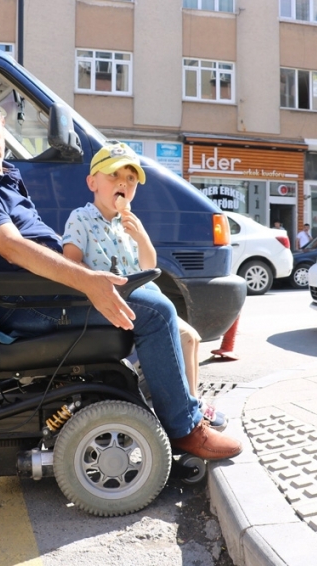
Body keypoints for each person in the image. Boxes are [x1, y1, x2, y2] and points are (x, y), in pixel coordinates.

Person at [0, 86, 241, 460]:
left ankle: (169, 403)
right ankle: (184, 428)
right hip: (21, 302)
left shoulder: (2, 176)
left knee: (149, 297)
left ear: (2, 125)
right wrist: (87, 281)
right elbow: (11, 247)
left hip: (41, 292)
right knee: (156, 312)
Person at [60, 141, 225, 430]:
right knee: (182, 335)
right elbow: (71, 261)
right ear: (92, 182)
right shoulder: (81, 218)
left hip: (142, 293)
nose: (123, 183)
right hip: (109, 299)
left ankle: (191, 405)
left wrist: (142, 237)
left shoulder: (129, 223)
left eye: (131, 179)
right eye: (114, 176)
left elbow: (149, 266)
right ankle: (186, 416)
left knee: (192, 338)